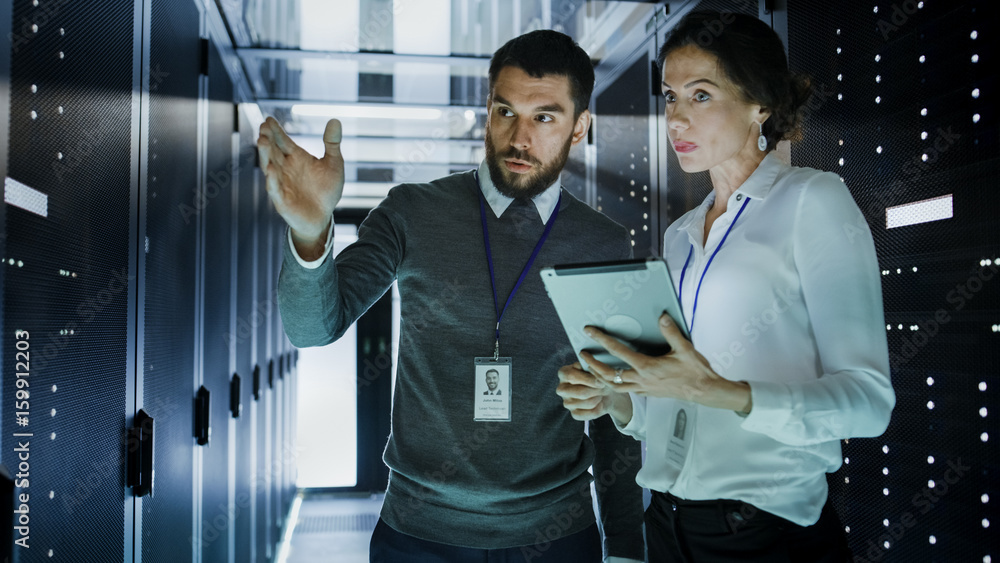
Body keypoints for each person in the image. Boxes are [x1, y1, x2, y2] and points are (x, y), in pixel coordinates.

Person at [258, 29, 645, 563]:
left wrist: (627, 548)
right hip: (418, 535)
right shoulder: (412, 211)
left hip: (556, 535)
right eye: (505, 111)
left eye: (545, 117)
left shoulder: (602, 242)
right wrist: (310, 232)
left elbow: (613, 408)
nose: (519, 138)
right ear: (487, 109)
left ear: (580, 127)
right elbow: (313, 327)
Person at [556, 11, 895, 563]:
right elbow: (670, 400)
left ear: (760, 103)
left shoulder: (813, 201)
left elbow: (867, 403)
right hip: (665, 522)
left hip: (766, 532)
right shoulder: (681, 235)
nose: (676, 120)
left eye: (701, 96)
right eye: (669, 98)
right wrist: (616, 398)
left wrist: (727, 394)